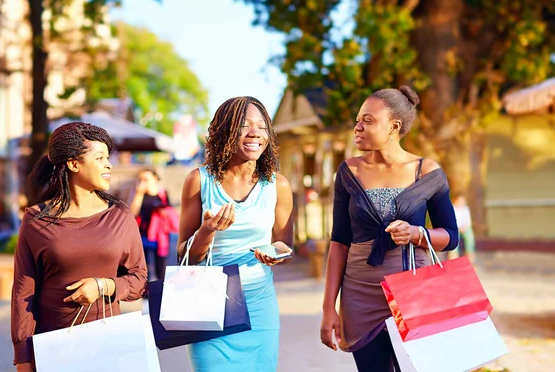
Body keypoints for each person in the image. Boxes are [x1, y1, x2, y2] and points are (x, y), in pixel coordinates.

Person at [320, 86, 459, 371]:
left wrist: (418, 233)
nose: (357, 127)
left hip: (414, 288)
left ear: (394, 126)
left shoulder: (428, 172)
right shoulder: (348, 172)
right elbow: (339, 242)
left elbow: (451, 236)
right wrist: (327, 308)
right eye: (358, 120)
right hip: (359, 293)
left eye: (368, 120)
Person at [11, 122, 148, 372]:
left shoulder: (119, 215)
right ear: (74, 164)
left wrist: (103, 285)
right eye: (100, 158)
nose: (109, 165)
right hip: (53, 346)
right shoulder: (36, 219)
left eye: (108, 157)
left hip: (108, 346)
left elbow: (139, 280)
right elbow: (23, 293)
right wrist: (23, 357)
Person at [177, 96, 293, 372]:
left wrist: (275, 253)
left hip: (259, 305)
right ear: (225, 132)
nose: (255, 133)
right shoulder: (198, 180)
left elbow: (285, 244)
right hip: (209, 301)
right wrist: (207, 231)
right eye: (244, 126)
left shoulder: (278, 185)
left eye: (262, 127)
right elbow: (184, 254)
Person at [130, 168, 179, 281]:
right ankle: (146, 292)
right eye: (141, 179)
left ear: (155, 179)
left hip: (159, 235)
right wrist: (139, 194)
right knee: (143, 265)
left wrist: (162, 211)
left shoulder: (162, 193)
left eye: (146, 179)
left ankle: (160, 289)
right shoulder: (138, 193)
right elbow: (133, 213)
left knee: (160, 264)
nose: (143, 182)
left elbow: (169, 211)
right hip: (142, 234)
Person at [453, 194, 476, 262]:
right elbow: (452, 221)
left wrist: (464, 227)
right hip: (456, 228)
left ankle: (470, 255)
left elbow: (468, 222)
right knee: (454, 237)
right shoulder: (453, 209)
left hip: (464, 228)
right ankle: (453, 256)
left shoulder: (465, 209)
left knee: (470, 236)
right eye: (459, 200)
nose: (461, 202)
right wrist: (458, 228)